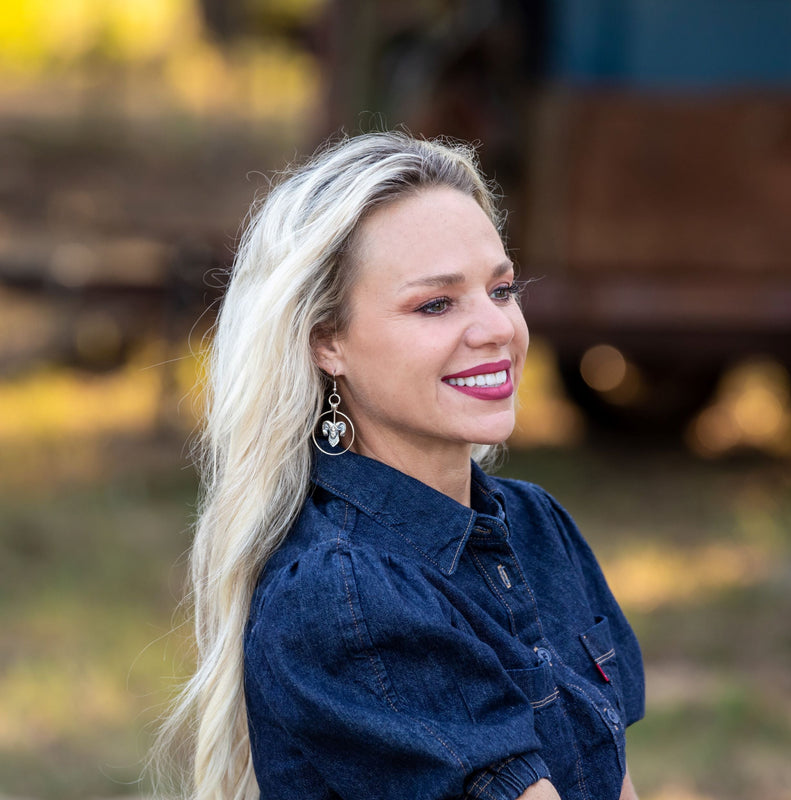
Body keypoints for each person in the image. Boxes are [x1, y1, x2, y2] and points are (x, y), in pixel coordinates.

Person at [156, 131, 645, 800]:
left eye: (501, 290)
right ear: (327, 341)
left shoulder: (537, 525)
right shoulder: (343, 594)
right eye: (436, 304)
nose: (497, 328)